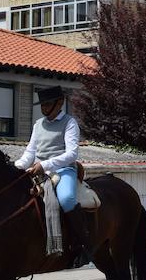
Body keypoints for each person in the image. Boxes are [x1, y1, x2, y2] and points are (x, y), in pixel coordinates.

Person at [14, 86, 90, 269]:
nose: (43, 108)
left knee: (66, 198)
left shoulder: (70, 123)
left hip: (64, 170)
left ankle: (82, 244)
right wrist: (17, 166)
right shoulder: (38, 124)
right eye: (42, 104)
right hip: (39, 171)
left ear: (60, 103)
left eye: (47, 103)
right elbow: (29, 153)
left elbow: (72, 154)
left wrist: (45, 165)